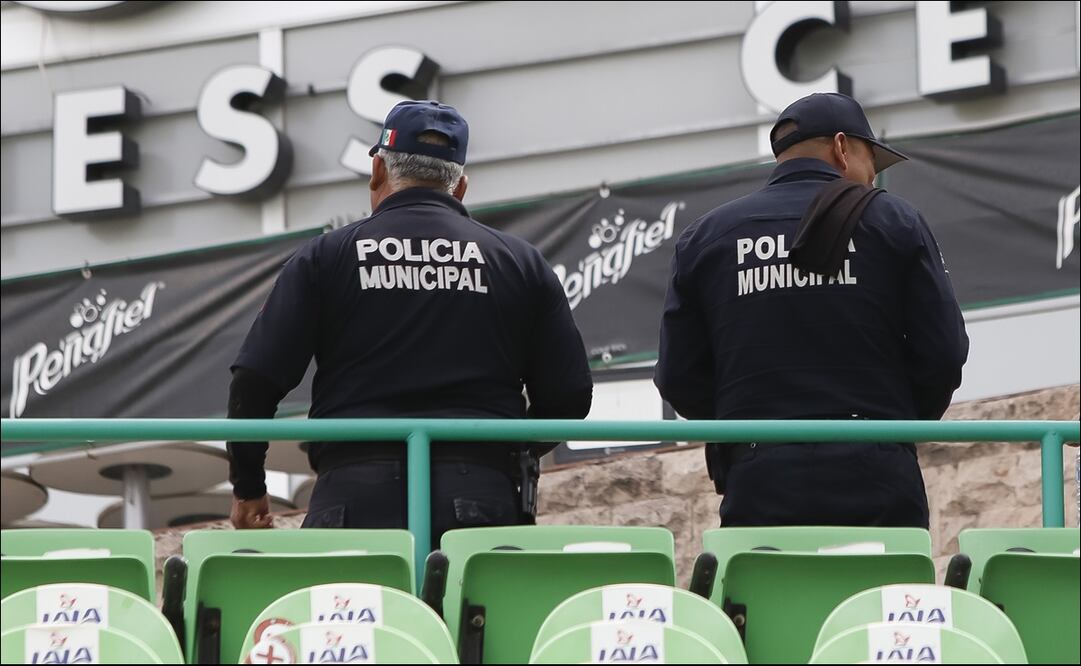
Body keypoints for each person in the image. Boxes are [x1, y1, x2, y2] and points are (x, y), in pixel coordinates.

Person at [226, 100, 593, 543]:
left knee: (345, 614)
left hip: (352, 496)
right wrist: (504, 446)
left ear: (378, 171)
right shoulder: (520, 262)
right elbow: (569, 397)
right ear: (460, 187)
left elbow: (254, 381)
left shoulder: (325, 257)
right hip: (481, 498)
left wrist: (249, 489)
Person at [654, 92, 969, 529]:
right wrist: (891, 425)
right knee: (882, 597)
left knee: (770, 593)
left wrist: (747, 424)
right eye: (871, 165)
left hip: (758, 477)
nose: (873, 181)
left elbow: (678, 377)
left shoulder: (705, 238)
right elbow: (944, 355)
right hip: (877, 474)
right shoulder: (896, 221)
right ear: (841, 148)